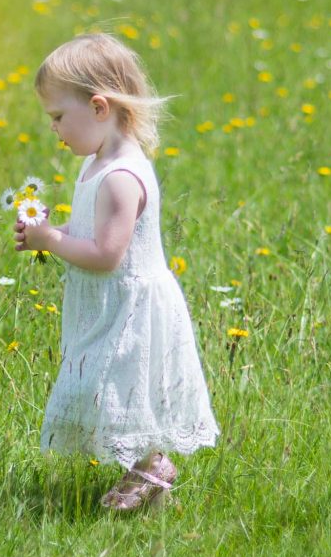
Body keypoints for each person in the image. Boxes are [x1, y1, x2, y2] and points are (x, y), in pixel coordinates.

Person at [13, 32, 220, 512]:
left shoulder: (122, 177)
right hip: (109, 304)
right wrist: (54, 231)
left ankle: (152, 468)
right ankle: (148, 472)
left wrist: (51, 241)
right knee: (105, 388)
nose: (55, 130)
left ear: (100, 107)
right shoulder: (95, 163)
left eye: (59, 117)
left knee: (116, 387)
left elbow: (108, 255)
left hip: (129, 306)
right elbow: (92, 230)